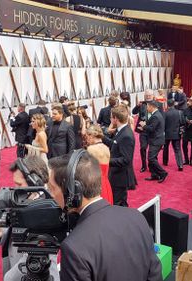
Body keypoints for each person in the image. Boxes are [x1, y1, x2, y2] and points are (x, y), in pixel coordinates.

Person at [47, 150, 162, 281]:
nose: (50, 194)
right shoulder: (136, 216)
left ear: (72, 192)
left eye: (52, 188)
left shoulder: (74, 247)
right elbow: (155, 274)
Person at [2, 156, 59, 281]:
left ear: (35, 182)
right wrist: (2, 231)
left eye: (19, 184)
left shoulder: (45, 210)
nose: (15, 188)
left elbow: (34, 254)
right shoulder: (23, 199)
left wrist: (8, 278)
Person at [105, 105, 137, 206]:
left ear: (116, 119)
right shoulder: (121, 131)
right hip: (117, 175)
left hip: (120, 177)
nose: (110, 119)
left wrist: (106, 161)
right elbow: (115, 144)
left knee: (118, 204)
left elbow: (126, 159)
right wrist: (101, 137)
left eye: (111, 117)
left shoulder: (126, 135)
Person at [140, 101, 168, 183]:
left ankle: (163, 173)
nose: (147, 108)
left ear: (152, 107)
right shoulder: (156, 114)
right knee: (153, 158)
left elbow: (152, 129)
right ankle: (154, 174)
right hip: (156, 139)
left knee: (151, 158)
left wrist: (143, 126)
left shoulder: (155, 116)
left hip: (156, 140)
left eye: (148, 107)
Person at [85, 125, 113, 204]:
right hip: (107, 185)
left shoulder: (91, 149)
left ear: (91, 135)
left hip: (96, 186)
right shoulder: (106, 148)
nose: (87, 140)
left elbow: (88, 171)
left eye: (87, 137)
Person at [132, 89, 154, 172]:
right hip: (143, 131)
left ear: (152, 95)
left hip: (152, 130)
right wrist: (137, 106)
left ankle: (152, 165)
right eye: (146, 95)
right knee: (143, 148)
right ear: (144, 95)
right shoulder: (141, 104)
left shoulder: (157, 104)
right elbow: (134, 112)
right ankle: (144, 165)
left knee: (152, 150)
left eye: (149, 95)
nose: (148, 96)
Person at [163, 99, 185, 171]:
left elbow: (163, 125)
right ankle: (180, 165)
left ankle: (165, 162)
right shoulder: (179, 112)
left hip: (167, 134)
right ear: (174, 104)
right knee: (177, 149)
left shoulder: (165, 113)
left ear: (167, 104)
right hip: (176, 133)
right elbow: (182, 122)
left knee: (165, 148)